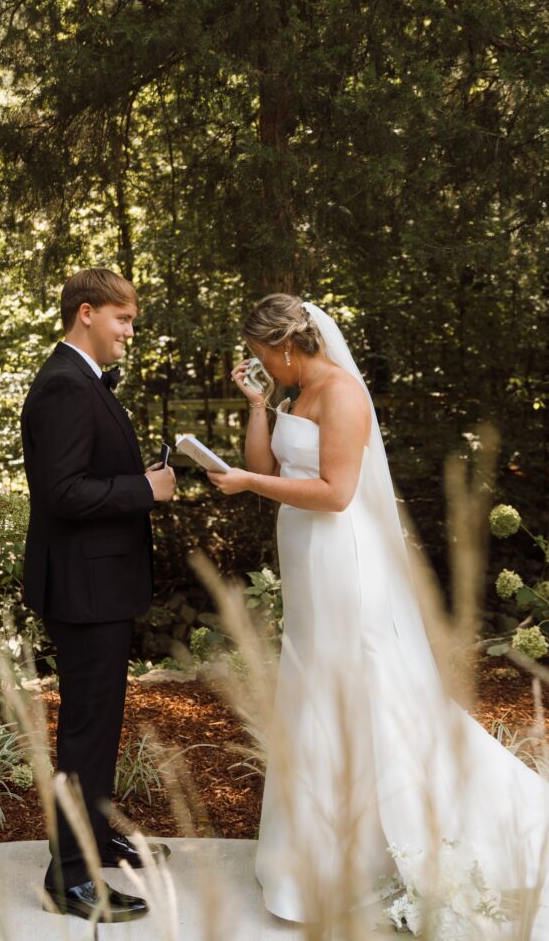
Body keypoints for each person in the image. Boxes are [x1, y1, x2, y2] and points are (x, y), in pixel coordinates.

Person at [208, 293, 549, 933]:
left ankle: (374, 854)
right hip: (307, 568)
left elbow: (336, 493)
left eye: (261, 358)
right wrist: (257, 407)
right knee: (313, 690)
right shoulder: (290, 396)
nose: (263, 367)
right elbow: (263, 466)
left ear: (284, 345)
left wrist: (252, 485)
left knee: (363, 687)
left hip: (343, 562)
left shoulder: (342, 394)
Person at [21, 267, 175, 922]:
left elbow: (84, 476)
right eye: (123, 321)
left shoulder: (80, 381)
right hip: (83, 589)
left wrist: (138, 479)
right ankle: (71, 878)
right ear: (86, 313)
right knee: (86, 729)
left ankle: (95, 834)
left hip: (99, 584)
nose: (129, 333)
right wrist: (145, 490)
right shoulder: (62, 385)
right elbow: (59, 493)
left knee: (99, 722)